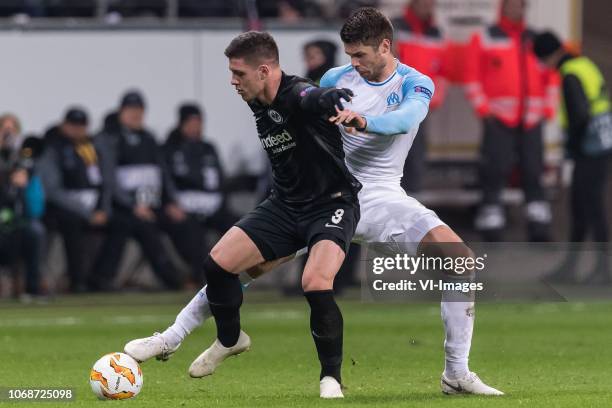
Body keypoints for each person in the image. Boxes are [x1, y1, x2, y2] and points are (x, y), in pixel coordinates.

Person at [125, 9, 503, 396]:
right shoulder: (336, 79)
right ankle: (172, 336)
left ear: (385, 46)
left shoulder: (414, 82)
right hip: (326, 195)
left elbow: (406, 120)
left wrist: (363, 121)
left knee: (460, 263)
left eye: (360, 55)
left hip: (384, 196)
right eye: (349, 55)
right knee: (242, 268)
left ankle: (456, 374)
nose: (352, 64)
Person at [128, 31, 361, 398]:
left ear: (265, 70)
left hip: (330, 204)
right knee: (218, 264)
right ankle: (230, 338)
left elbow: (308, 98)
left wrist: (326, 97)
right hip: (284, 205)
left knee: (315, 283)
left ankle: (330, 377)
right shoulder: (257, 97)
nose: (232, 81)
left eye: (238, 73)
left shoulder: (297, 93)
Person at [464, 0, 559, 242]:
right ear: (503, 7)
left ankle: (538, 221)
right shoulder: (484, 37)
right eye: (511, 5)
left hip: (531, 119)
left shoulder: (536, 39)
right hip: (498, 118)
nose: (516, 9)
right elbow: (472, 76)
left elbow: (552, 74)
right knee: (494, 169)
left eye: (520, 5)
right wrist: (483, 108)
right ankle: (490, 219)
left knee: (533, 169)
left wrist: (548, 108)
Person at [533, 31, 612, 283]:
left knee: (590, 209)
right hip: (602, 144)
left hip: (589, 150)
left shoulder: (569, 74)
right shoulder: (584, 64)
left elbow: (579, 116)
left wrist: (570, 150)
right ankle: (573, 267)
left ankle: (602, 270)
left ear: (548, 56)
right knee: (583, 209)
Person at [90, 91, 185, 291]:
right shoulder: (109, 139)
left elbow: (163, 174)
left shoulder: (149, 139)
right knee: (139, 226)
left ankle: (204, 274)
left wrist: (171, 202)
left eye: (139, 110)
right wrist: (134, 206)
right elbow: (110, 181)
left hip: (153, 204)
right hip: (123, 207)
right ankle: (172, 280)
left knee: (185, 223)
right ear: (121, 112)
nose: (136, 115)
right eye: (131, 110)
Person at [162, 103, 238, 284]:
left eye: (199, 122)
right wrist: (169, 203)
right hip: (185, 208)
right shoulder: (170, 149)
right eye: (192, 122)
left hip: (212, 206)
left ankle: (239, 272)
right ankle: (205, 278)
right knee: (193, 234)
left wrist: (221, 202)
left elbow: (220, 180)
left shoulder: (208, 147)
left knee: (238, 226)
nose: (196, 127)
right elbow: (165, 181)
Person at [39, 108, 110, 292]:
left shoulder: (91, 148)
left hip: (92, 208)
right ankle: (77, 281)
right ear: (64, 125)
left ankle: (100, 279)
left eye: (82, 126)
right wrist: (87, 213)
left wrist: (103, 209)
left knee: (121, 223)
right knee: (72, 223)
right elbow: (53, 191)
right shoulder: (53, 147)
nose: (78, 130)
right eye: (73, 125)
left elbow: (104, 182)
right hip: (62, 208)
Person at [393, 0, 448, 193]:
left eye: (430, 3)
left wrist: (436, 98)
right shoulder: (394, 27)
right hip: (393, 104)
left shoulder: (436, 33)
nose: (426, 6)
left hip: (418, 105)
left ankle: (412, 202)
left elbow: (441, 70)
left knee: (416, 154)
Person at [0, 114, 45, 299]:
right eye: (4, 130)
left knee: (35, 231)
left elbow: (35, 207)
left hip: (16, 219)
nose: (8, 135)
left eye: (12, 130)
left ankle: (31, 289)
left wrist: (24, 183)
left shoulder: (23, 164)